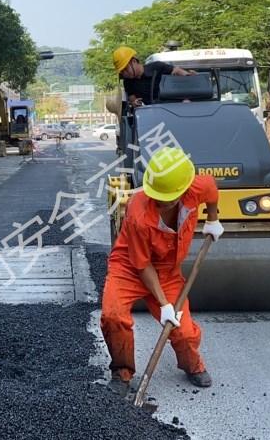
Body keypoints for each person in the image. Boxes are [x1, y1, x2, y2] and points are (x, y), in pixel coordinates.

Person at [100, 146, 224, 394]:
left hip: (167, 270)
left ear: (181, 192)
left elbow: (211, 188)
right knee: (113, 316)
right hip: (130, 267)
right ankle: (122, 373)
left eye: (165, 199)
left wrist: (212, 220)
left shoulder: (193, 188)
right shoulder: (138, 213)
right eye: (156, 196)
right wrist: (164, 304)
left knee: (184, 331)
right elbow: (142, 264)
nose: (160, 202)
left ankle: (193, 365)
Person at [112, 46, 190, 107]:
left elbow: (177, 71)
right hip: (151, 118)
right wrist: (134, 103)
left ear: (134, 61)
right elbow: (132, 98)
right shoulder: (128, 82)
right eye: (122, 71)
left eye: (125, 69)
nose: (124, 73)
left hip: (174, 108)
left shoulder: (157, 67)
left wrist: (188, 75)